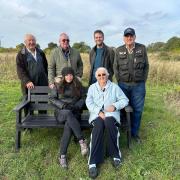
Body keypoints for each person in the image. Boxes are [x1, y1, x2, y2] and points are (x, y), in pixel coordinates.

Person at [86, 67, 129, 178]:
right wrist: (98, 111)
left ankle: (115, 156)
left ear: (107, 75)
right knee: (98, 127)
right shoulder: (92, 87)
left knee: (110, 124)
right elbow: (89, 102)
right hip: (97, 115)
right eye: (99, 75)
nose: (101, 77)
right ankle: (93, 162)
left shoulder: (114, 87)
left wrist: (115, 106)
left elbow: (125, 100)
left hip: (111, 114)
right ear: (96, 77)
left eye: (103, 74)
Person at [113, 27, 149, 143]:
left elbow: (146, 66)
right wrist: (119, 80)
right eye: (127, 36)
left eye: (131, 36)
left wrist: (142, 80)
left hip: (138, 86)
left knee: (137, 110)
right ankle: (124, 128)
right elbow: (115, 67)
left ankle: (134, 133)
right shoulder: (118, 50)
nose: (129, 38)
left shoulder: (142, 48)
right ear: (124, 38)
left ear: (134, 37)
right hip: (123, 85)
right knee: (123, 108)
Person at [49, 67, 88, 168]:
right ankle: (81, 140)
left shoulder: (78, 85)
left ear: (73, 75)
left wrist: (77, 106)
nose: (69, 77)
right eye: (66, 75)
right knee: (68, 114)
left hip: (74, 112)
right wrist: (63, 105)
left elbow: (84, 97)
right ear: (63, 76)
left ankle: (62, 156)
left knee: (68, 125)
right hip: (61, 112)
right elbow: (52, 98)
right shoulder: (57, 86)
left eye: (70, 75)